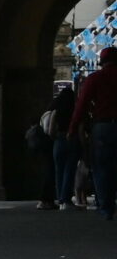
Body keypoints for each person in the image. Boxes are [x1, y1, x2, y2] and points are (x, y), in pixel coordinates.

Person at [68, 45, 117, 221]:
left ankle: (106, 208)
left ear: (101, 61)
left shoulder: (95, 78)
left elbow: (82, 105)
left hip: (102, 127)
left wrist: (73, 129)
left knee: (102, 168)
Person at [48, 78, 81, 209]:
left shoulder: (56, 111)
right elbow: (80, 128)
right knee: (69, 170)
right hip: (72, 139)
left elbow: (50, 130)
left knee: (59, 170)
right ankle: (66, 199)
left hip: (59, 140)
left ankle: (60, 200)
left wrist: (55, 138)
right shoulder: (75, 111)